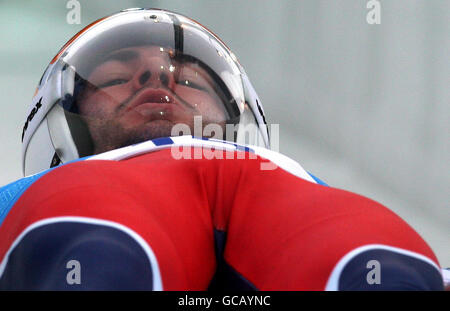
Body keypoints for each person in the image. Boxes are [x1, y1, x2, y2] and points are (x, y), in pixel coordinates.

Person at [0, 8, 445, 290]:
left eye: (190, 81)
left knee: (382, 269)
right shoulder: (36, 195)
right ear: (59, 124)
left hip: (274, 192)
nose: (157, 79)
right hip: (94, 191)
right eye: (116, 77)